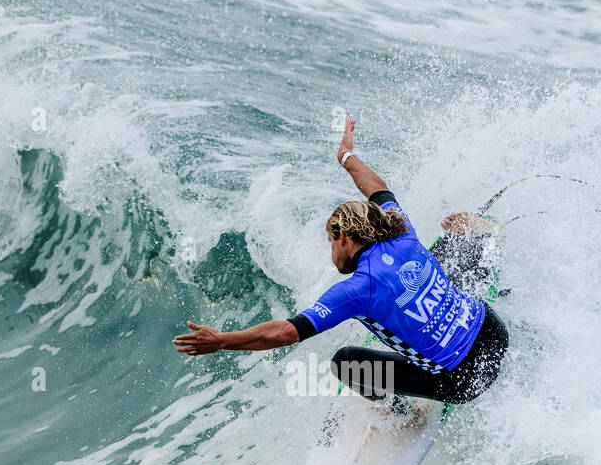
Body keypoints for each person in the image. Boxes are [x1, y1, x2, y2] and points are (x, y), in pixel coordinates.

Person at [173, 116, 509, 406]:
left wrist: (221, 341)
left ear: (343, 239)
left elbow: (285, 333)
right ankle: (480, 239)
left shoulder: (355, 291)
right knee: (431, 261)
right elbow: (377, 188)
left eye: (330, 242)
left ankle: (398, 413)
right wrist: (346, 155)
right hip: (494, 333)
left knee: (346, 362)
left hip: (465, 379)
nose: (331, 252)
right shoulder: (400, 230)